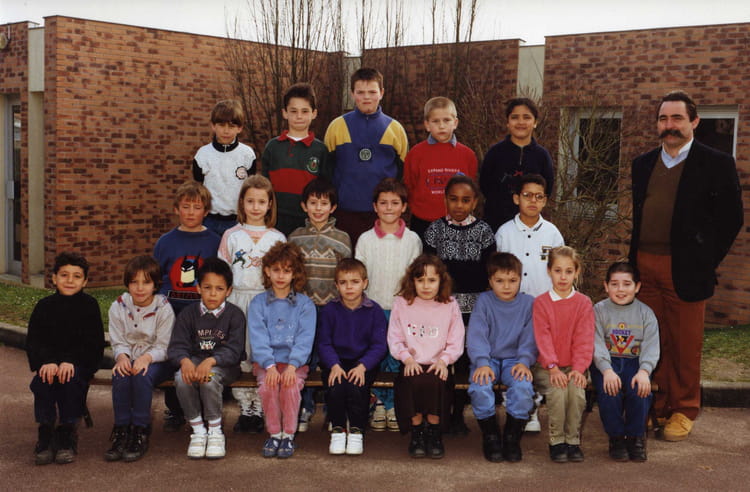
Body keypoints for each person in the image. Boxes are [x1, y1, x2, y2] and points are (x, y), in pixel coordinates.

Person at [629, 90, 742, 442]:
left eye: (677, 118)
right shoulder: (642, 164)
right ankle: (657, 405)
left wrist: (703, 260)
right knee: (652, 340)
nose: (670, 125)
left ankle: (684, 408)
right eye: (663, 119)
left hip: (686, 269)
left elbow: (731, 219)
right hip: (645, 266)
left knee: (685, 344)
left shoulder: (716, 163)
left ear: (694, 121)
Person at [423, 174, 496, 433]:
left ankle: (458, 414)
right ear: (445, 200)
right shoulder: (435, 230)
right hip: (442, 307)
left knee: (464, 360)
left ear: (474, 202)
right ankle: (440, 412)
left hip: (473, 310)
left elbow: (489, 272)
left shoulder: (484, 232)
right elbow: (428, 270)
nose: (459, 205)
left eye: (466, 200)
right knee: (441, 358)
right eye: (453, 199)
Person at [495, 173, 564, 433]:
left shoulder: (552, 233)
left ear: (545, 201)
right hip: (511, 307)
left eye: (538, 197)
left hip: (542, 308)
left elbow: (560, 270)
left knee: (537, 357)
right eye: (527, 196)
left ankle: (532, 407)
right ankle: (515, 406)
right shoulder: (505, 232)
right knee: (512, 355)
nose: (532, 201)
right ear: (516, 199)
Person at [218, 174, 285, 434]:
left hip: (266, 301)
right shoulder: (231, 235)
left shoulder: (277, 238)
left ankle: (261, 406)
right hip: (237, 300)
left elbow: (283, 274)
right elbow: (222, 272)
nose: (256, 207)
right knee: (241, 354)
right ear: (242, 203)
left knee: (262, 354)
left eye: (261, 201)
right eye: (250, 201)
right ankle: (246, 407)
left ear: (270, 204)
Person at [355, 178, 422, 431]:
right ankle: (379, 404)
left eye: (395, 203)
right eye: (383, 203)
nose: (389, 208)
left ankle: (393, 405)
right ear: (375, 207)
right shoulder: (365, 239)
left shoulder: (412, 239)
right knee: (376, 356)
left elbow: (415, 277)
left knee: (397, 358)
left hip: (401, 311)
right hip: (372, 309)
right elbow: (360, 275)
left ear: (404, 206)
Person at [153, 181, 221, 432]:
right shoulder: (165, 242)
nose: (191, 212)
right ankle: (175, 409)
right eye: (185, 206)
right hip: (172, 312)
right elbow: (156, 277)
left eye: (197, 207)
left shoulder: (214, 242)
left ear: (206, 211)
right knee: (176, 358)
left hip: (203, 312)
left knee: (202, 356)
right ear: (176, 209)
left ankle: (203, 409)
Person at [26, 252, 105, 465]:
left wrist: (71, 361)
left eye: (76, 276)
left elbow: (93, 343)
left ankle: (67, 432)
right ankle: (45, 430)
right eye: (64, 275)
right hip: (49, 363)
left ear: (85, 281)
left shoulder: (89, 306)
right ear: (54, 278)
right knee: (43, 380)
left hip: (79, 363)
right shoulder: (44, 306)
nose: (70, 280)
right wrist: (47, 361)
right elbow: (34, 341)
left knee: (71, 379)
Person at [288, 177, 352, 431]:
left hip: (333, 309)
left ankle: (332, 409)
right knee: (305, 358)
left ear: (333, 207)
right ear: (304, 206)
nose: (318, 208)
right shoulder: (295, 238)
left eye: (324, 203)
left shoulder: (342, 238)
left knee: (331, 357)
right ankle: (304, 407)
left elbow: (347, 275)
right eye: (313, 203)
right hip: (303, 309)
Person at [388, 254, 465, 459]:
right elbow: (394, 337)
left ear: (441, 281)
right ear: (412, 281)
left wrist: (444, 361)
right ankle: (417, 433)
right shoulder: (402, 303)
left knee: (437, 381)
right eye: (420, 280)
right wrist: (407, 358)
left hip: (438, 363)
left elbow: (456, 339)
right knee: (411, 380)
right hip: (411, 362)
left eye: (431, 280)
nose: (426, 286)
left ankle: (434, 432)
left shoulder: (450, 304)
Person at [167, 258, 245, 459]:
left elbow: (234, 350)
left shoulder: (235, 315)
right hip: (194, 360)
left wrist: (211, 361)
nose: (212, 293)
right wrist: (184, 361)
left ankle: (215, 430)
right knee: (181, 378)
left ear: (228, 291)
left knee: (209, 379)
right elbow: (177, 346)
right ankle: (198, 430)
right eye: (207, 287)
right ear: (198, 288)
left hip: (225, 366)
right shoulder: (188, 314)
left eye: (219, 289)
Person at [324, 67, 409, 244]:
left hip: (383, 214)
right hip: (345, 211)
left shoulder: (395, 129)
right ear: (352, 93)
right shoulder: (337, 126)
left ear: (382, 93)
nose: (367, 97)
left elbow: (402, 173)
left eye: (372, 92)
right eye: (360, 92)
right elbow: (327, 170)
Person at [248, 242, 316, 459]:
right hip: (266, 362)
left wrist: (293, 366)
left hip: (294, 363)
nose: (280, 276)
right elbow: (258, 337)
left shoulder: (305, 305)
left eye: (287, 271)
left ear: (295, 273)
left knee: (290, 387)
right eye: (276, 270)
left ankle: (288, 435)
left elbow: (305, 339)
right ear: (267, 271)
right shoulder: (258, 303)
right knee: (268, 388)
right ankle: (274, 434)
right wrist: (269, 366)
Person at [105, 255, 175, 463]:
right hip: (130, 356)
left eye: (146, 282)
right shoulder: (118, 306)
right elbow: (118, 340)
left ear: (156, 284)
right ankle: (121, 429)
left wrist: (146, 358)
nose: (140, 288)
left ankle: (140, 430)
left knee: (142, 375)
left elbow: (165, 346)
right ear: (127, 283)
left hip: (158, 360)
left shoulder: (163, 308)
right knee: (121, 375)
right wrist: (122, 357)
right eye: (134, 282)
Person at [467, 252, 536, 463]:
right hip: (487, 360)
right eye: (500, 281)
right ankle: (491, 436)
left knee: (523, 387)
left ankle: (512, 437)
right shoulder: (484, 301)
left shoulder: (528, 303)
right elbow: (476, 333)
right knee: (480, 387)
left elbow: (530, 337)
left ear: (520, 280)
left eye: (512, 280)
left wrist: (524, 361)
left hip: (515, 360)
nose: (506, 286)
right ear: (490, 281)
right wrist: (481, 362)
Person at [317, 258, 388, 455]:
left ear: (365, 283)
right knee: (336, 386)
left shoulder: (374, 310)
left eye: (355, 282)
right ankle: (338, 430)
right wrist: (334, 365)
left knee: (357, 387)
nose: (349, 287)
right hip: (336, 362)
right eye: (343, 282)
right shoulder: (329, 310)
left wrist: (363, 366)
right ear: (336, 285)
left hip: (363, 362)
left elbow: (379, 345)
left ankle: (357, 431)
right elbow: (323, 343)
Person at [592, 262, 659, 462]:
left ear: (637, 287)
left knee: (640, 391)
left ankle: (635, 437)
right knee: (609, 392)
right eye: (614, 284)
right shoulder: (598, 310)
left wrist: (644, 371)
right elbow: (595, 343)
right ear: (606, 286)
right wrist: (606, 370)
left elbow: (651, 346)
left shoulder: (646, 313)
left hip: (635, 362)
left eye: (627, 284)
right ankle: (616, 437)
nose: (620, 289)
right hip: (606, 362)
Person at [533, 246, 594, 463]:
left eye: (569, 271)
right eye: (558, 271)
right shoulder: (541, 303)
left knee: (576, 393)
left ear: (576, 272)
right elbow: (542, 338)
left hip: (575, 366)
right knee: (558, 392)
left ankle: (572, 441)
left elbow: (584, 339)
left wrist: (579, 369)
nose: (563, 277)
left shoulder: (583, 303)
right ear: (549, 271)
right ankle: (557, 441)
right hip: (547, 367)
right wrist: (553, 367)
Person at [262, 83, 331, 236]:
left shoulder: (320, 150)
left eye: (304, 111)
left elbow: (324, 188)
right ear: (284, 113)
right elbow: (264, 186)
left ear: (314, 113)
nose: (299, 116)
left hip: (307, 220)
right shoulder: (272, 147)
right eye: (293, 111)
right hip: (275, 219)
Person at [403, 96, 478, 238]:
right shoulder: (416, 154)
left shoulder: (468, 155)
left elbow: (470, 188)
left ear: (455, 123)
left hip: (457, 221)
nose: (441, 126)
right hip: (423, 222)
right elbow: (410, 185)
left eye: (446, 120)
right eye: (436, 121)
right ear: (427, 125)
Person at [480, 98, 554, 232]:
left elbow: (547, 189)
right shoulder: (495, 153)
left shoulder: (542, 156)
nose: (520, 122)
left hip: (530, 225)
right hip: (496, 223)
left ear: (535, 122)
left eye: (527, 117)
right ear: (508, 122)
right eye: (515, 117)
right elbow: (485, 186)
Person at [192, 99, 257, 236]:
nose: (226, 131)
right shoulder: (203, 155)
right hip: (210, 220)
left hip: (238, 220)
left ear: (239, 128)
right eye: (221, 125)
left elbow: (250, 188)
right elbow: (199, 186)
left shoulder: (247, 155)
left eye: (231, 126)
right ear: (213, 126)